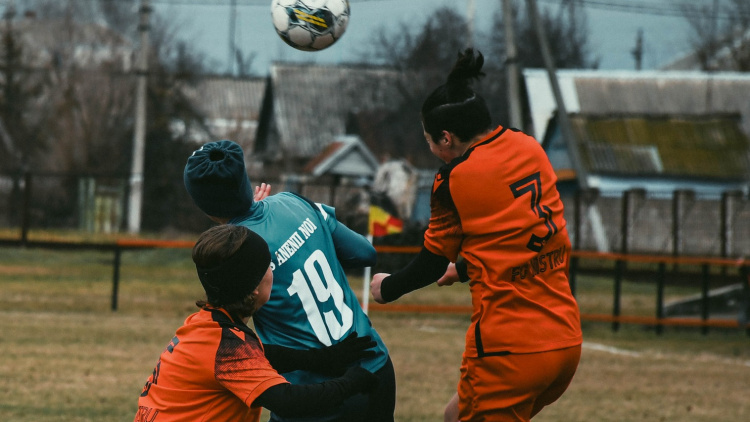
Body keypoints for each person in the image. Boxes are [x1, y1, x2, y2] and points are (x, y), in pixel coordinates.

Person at [370, 48, 583, 422]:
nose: (433, 151)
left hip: (509, 350)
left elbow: (432, 260)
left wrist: (389, 288)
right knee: (454, 416)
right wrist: (465, 268)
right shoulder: (528, 146)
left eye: (430, 142)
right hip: (564, 341)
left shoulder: (454, 178)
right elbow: (518, 235)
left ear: (447, 138)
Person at [183, 140, 396, 422]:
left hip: (314, 395)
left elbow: (231, 337)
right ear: (245, 180)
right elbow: (365, 253)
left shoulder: (235, 255)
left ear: (203, 205)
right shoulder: (292, 201)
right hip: (375, 366)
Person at [134, 224, 378, 421]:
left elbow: (259, 357)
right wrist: (352, 381)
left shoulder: (205, 326)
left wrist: (323, 358)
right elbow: (289, 401)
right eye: (268, 266)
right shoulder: (226, 348)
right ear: (253, 290)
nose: (273, 272)